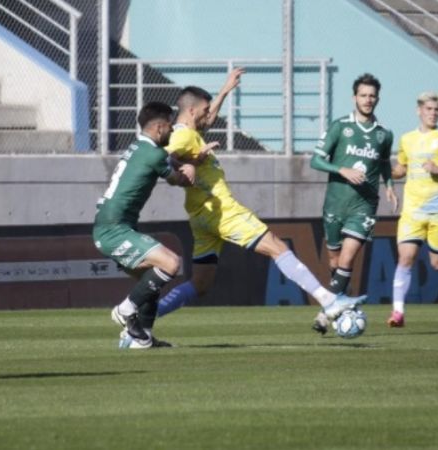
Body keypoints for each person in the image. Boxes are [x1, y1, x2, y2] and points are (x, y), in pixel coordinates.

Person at [155, 68, 367, 325]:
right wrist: (186, 163)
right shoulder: (184, 135)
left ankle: (143, 318)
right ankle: (329, 301)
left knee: (200, 284)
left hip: (201, 216)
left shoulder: (190, 132)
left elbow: (200, 128)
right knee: (278, 247)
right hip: (222, 211)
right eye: (204, 109)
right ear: (191, 111)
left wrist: (225, 89)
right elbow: (162, 157)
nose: (208, 115)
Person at [94, 101, 195, 349]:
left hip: (111, 226)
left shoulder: (139, 148)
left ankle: (142, 338)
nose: (172, 131)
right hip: (114, 229)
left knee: (150, 281)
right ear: (160, 127)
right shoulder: (154, 154)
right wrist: (192, 169)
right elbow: (177, 180)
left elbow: (166, 160)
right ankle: (124, 310)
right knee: (171, 263)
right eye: (170, 126)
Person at [309, 73, 398, 334]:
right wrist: (342, 170)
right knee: (334, 261)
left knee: (347, 259)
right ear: (354, 98)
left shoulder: (384, 135)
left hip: (365, 205)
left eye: (372, 96)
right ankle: (342, 303)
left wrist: (390, 186)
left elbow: (383, 164)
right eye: (363, 95)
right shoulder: (340, 127)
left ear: (377, 99)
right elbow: (315, 161)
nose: (368, 100)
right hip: (336, 204)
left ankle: (325, 315)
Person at [387, 92, 438, 327]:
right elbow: (402, 168)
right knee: (406, 258)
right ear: (419, 111)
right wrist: (385, 172)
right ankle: (398, 313)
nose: (433, 113)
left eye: (436, 110)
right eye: (429, 109)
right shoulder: (407, 139)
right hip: (412, 209)